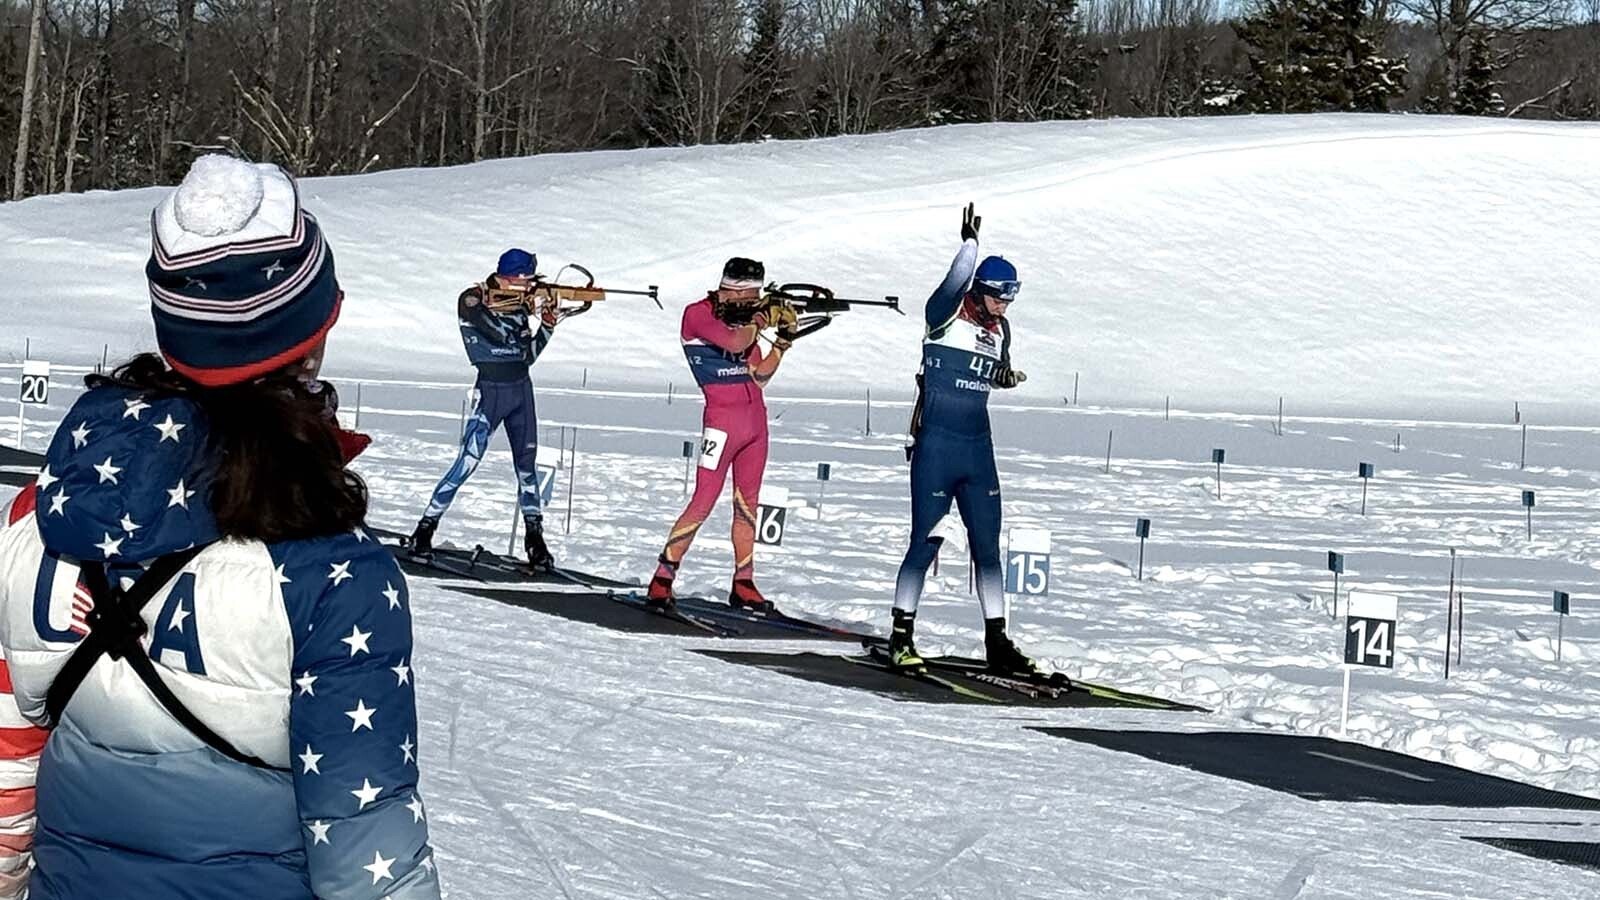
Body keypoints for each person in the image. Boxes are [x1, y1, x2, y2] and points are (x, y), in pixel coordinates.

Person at [0, 154, 440, 899]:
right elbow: (366, 843)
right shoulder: (334, 570)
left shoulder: (41, 513)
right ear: (313, 337)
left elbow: (8, 760)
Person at [887, 204, 1037, 676]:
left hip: (977, 449)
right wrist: (969, 245)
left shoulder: (1001, 329)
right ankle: (901, 635)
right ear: (980, 290)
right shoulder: (945, 314)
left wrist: (1003, 377)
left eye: (1010, 299)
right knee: (926, 542)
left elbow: (991, 372)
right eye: (999, 298)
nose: (1004, 307)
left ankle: (997, 640)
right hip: (936, 446)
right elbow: (954, 281)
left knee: (987, 548)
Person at [646, 258, 798, 612]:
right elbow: (734, 341)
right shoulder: (697, 314)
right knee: (704, 499)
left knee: (748, 505)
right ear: (736, 290)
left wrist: (783, 341)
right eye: (752, 295)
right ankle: (663, 577)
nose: (756, 300)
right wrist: (761, 319)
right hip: (721, 421)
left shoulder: (746, 320)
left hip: (755, 423)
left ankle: (744, 581)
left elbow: (760, 376)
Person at [409, 249, 560, 569]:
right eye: (526, 281)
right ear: (510, 278)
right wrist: (520, 309)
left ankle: (535, 539)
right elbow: (494, 331)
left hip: (520, 389)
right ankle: (425, 528)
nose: (529, 286)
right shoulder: (474, 299)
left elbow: (526, 356)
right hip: (491, 390)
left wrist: (546, 326)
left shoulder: (519, 306)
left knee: (527, 466)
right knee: (467, 461)